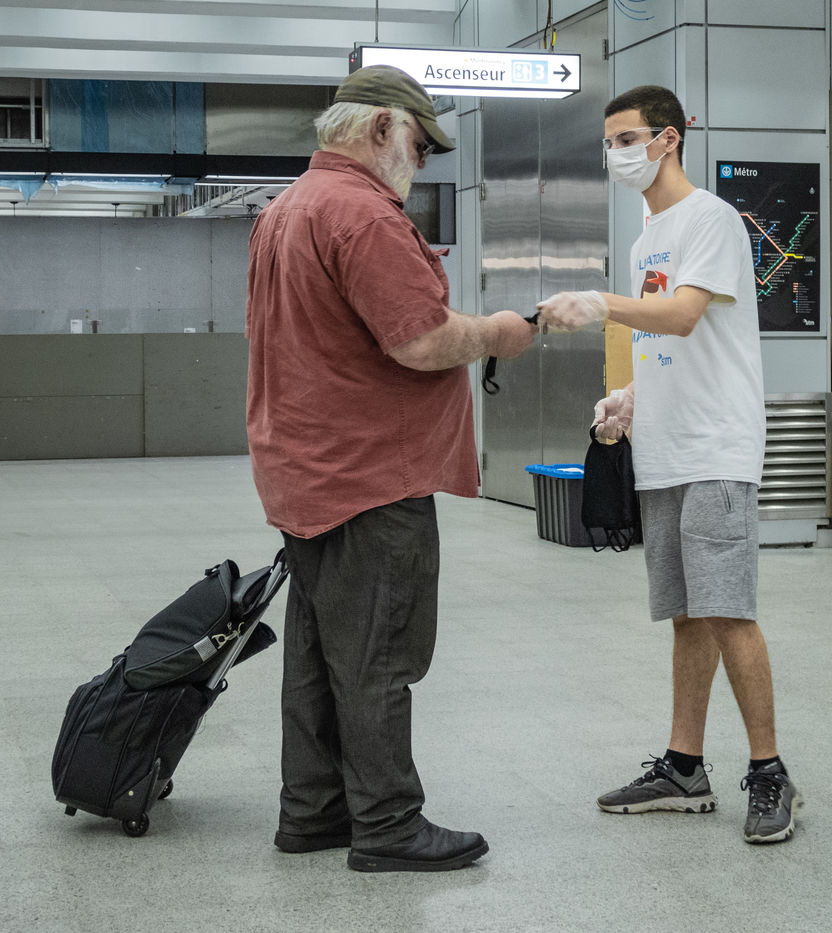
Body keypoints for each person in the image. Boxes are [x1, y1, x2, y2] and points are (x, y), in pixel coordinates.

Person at [244, 65, 537, 872]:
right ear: (380, 127)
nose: (421, 160)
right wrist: (498, 332)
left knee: (319, 650)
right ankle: (387, 822)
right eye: (418, 141)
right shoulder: (362, 213)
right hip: (370, 473)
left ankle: (313, 810)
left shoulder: (286, 210)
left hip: (305, 466)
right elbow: (420, 339)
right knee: (378, 651)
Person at [536, 85, 801, 844]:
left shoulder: (710, 218)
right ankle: (685, 767)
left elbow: (683, 313)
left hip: (716, 446)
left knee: (728, 610)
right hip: (664, 449)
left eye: (628, 139)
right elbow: (667, 342)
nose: (617, 153)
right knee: (687, 616)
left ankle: (770, 771)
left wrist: (601, 302)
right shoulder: (645, 237)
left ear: (668, 138)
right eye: (609, 142)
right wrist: (630, 396)